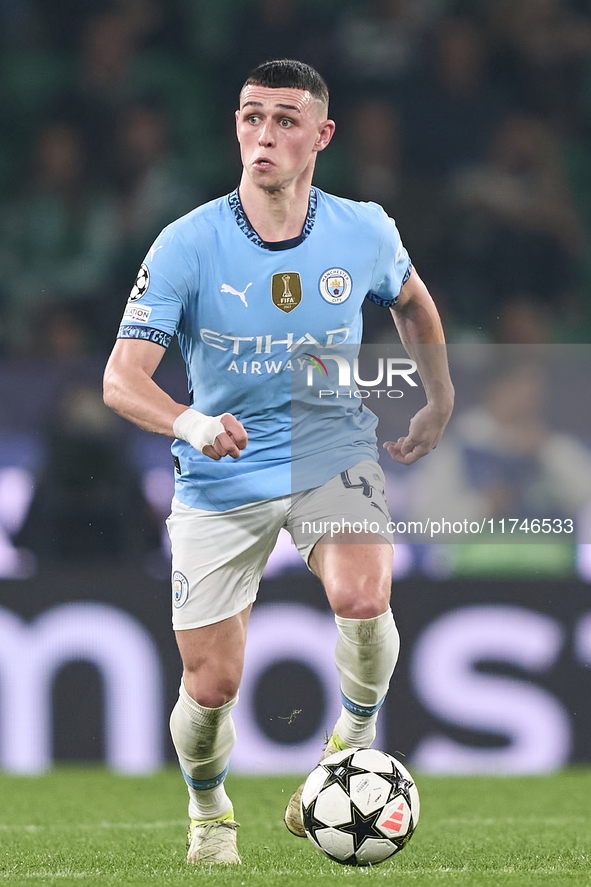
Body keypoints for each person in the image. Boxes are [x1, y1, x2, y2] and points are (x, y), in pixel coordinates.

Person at [103, 59, 454, 866]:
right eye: (251, 116)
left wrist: (436, 399)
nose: (264, 134)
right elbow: (121, 380)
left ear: (321, 136)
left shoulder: (362, 228)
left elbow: (411, 301)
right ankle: (209, 808)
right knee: (211, 686)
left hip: (331, 443)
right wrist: (189, 422)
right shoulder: (186, 243)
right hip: (222, 467)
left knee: (364, 596)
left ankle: (348, 744)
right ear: (235, 126)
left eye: (285, 120)